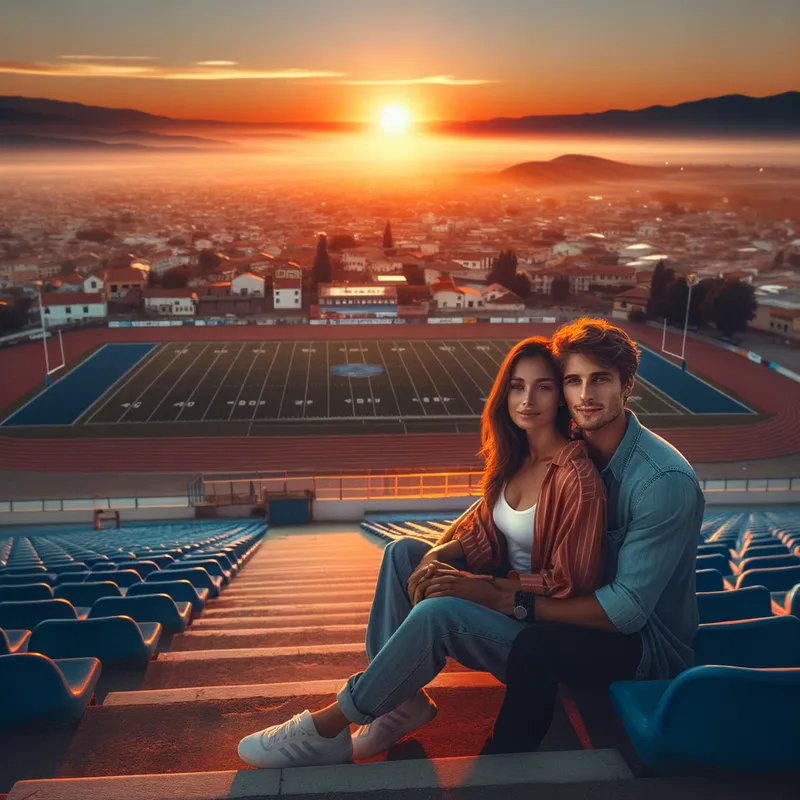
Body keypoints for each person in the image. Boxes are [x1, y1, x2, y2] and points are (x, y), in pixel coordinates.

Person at [237, 336, 608, 769]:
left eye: (542, 386)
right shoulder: (514, 462)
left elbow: (569, 586)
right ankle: (402, 704)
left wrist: (483, 588)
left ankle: (331, 722)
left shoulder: (575, 477)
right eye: (516, 386)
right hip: (501, 607)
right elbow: (482, 536)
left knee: (438, 613)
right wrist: (437, 556)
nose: (527, 399)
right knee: (402, 552)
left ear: (560, 397)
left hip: (538, 635)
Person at [481, 318, 705, 755]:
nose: (584, 396)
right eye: (573, 381)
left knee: (536, 647)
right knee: (411, 555)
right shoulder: (570, 448)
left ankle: (501, 766)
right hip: (576, 599)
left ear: (626, 386)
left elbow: (627, 612)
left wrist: (518, 599)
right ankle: (398, 704)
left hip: (645, 644)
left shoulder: (663, 480)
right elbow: (497, 508)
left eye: (599, 379)